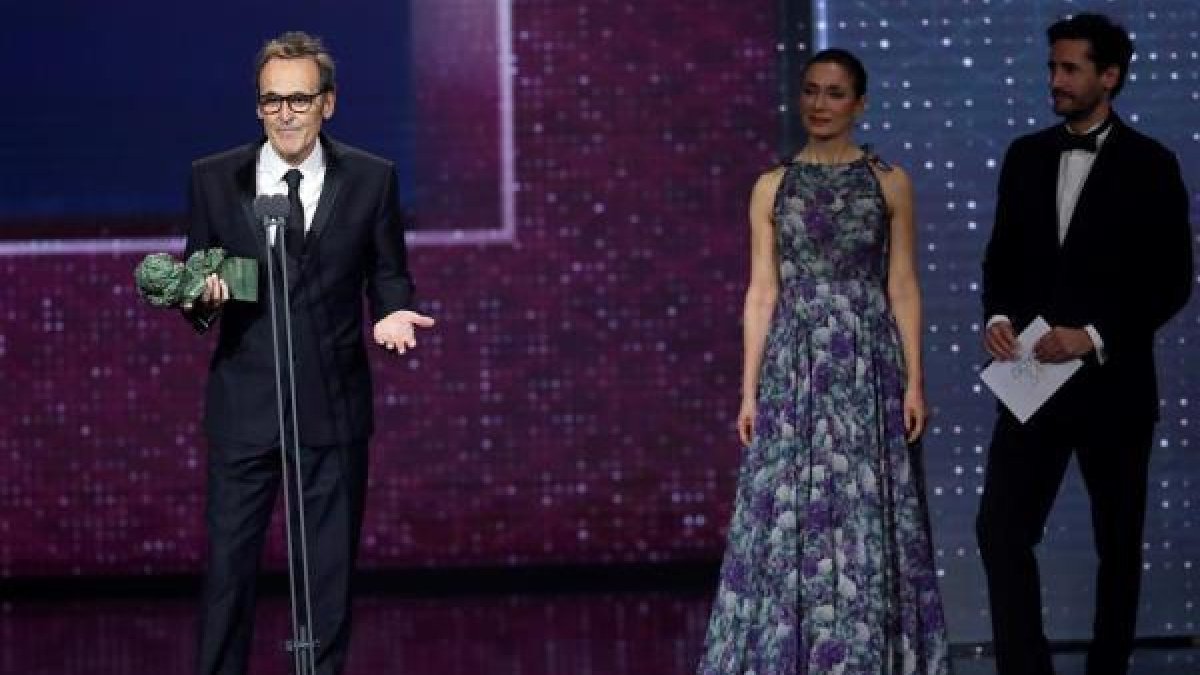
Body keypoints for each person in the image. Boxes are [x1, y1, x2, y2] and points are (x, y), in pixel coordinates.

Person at [182, 31, 434, 675]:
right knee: (228, 578)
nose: (285, 114)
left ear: (328, 103)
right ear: (258, 107)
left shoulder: (372, 179)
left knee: (326, 580)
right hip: (245, 409)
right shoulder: (214, 180)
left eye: (299, 100)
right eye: (272, 102)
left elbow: (388, 272)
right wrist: (201, 298)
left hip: (332, 406)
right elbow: (198, 284)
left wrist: (392, 310)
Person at [696, 48, 950, 674]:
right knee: (788, 510)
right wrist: (748, 392)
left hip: (868, 364)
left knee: (867, 507)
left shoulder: (890, 182)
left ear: (859, 103)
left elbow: (904, 286)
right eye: (811, 91)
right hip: (796, 364)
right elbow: (761, 292)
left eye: (835, 93)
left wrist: (916, 380)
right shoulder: (771, 186)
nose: (819, 104)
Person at [976, 13, 1193, 675]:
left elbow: (1172, 280)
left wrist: (1092, 335)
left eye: (1070, 69)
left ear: (1110, 76)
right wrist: (999, 315)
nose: (1056, 80)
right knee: (1000, 528)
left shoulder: (1152, 164)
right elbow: (1001, 258)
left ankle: (1107, 668)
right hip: (1031, 377)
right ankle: (1026, 666)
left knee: (1118, 543)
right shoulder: (1025, 155)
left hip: (1113, 386)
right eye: (1052, 67)